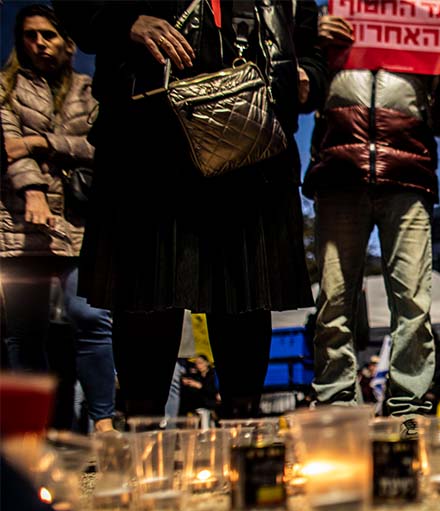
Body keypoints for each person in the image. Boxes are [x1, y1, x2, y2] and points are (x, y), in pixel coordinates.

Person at [53, 0, 328, 419]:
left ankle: (243, 445)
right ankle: (142, 448)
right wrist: (124, 20)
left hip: (250, 137)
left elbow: (307, 34)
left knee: (244, 301)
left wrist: (306, 73)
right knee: (149, 297)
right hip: (150, 134)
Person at [304, 15, 440, 420]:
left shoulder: (430, 26)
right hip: (341, 173)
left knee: (414, 299)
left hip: (407, 177)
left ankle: (408, 409)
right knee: (334, 298)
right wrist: (313, 42)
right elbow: (301, 91)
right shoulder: (333, 23)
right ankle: (337, 407)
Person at [0, 4, 116, 433]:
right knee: (25, 330)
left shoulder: (88, 90)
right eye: (30, 35)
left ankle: (104, 422)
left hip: (77, 219)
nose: (39, 44)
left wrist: (40, 140)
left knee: (89, 316)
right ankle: (31, 431)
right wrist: (32, 189)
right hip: (18, 220)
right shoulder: (3, 89)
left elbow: (102, 148)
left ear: (67, 41)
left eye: (48, 34)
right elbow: (8, 147)